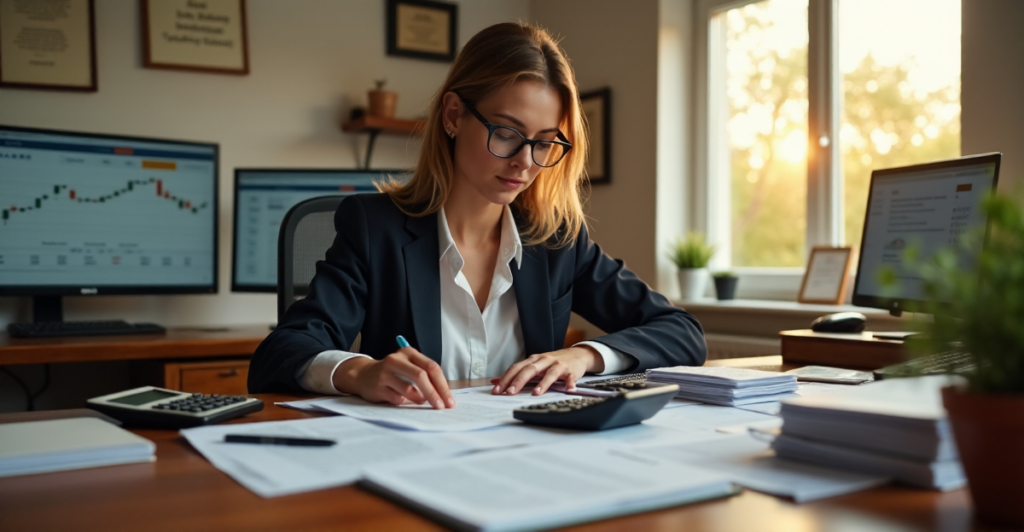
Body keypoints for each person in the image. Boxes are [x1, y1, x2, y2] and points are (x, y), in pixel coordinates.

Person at [247, 22, 706, 408]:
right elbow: (280, 354)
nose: (525, 162)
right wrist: (359, 371)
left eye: (545, 141)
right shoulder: (375, 229)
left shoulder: (556, 239)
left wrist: (583, 357)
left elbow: (682, 332)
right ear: (452, 115)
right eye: (508, 133)